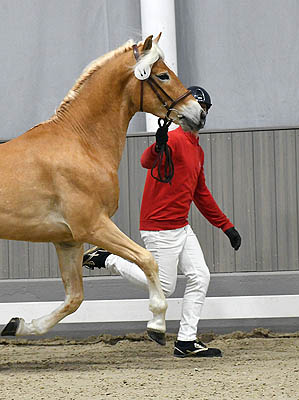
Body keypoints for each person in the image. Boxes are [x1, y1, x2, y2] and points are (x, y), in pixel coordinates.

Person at [83, 86, 241, 358]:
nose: (201, 113)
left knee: (200, 276)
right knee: (164, 287)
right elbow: (146, 161)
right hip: (160, 226)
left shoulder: (196, 149)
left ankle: (186, 341)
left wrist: (226, 226)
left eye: (204, 109)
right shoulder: (174, 139)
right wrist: (158, 146)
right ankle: (108, 258)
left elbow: (200, 194)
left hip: (181, 225)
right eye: (198, 107)